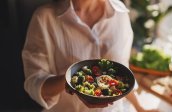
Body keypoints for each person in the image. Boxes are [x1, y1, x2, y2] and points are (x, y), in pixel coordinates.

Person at [22, 0, 159, 112]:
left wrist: (140, 108)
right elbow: (34, 83)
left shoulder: (120, 13)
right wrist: (71, 81)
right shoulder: (44, 18)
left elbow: (123, 72)